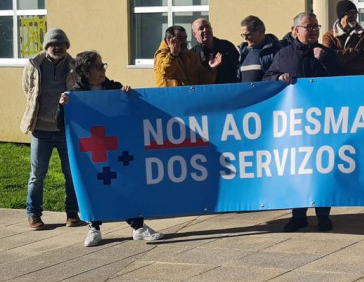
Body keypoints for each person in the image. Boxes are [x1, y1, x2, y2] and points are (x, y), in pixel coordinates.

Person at [58, 51, 165, 246]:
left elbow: (130, 114)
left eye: (103, 65)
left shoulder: (115, 88)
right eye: (98, 66)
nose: (103, 70)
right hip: (91, 154)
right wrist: (62, 107)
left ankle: (138, 227)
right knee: (92, 185)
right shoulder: (75, 95)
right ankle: (93, 227)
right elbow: (62, 125)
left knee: (125, 183)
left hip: (117, 151)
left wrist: (128, 96)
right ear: (85, 71)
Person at [264, 12, 344, 232]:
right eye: (309, 27)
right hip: (296, 125)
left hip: (323, 124)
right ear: (295, 30)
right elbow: (267, 78)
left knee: (323, 169)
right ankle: (298, 215)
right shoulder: (283, 55)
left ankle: (323, 216)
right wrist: (277, 79)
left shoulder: (326, 52)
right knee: (297, 170)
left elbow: (344, 81)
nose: (314, 31)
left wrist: (326, 60)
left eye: (316, 27)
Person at [21, 28, 83, 230]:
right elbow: (28, 91)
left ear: (67, 46)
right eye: (53, 44)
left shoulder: (74, 66)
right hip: (40, 128)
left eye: (61, 44)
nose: (57, 47)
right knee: (37, 174)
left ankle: (72, 213)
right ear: (46, 46)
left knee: (71, 172)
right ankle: (33, 214)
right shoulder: (34, 65)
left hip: (65, 128)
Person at [321, 0, 364, 75]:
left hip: (359, 80)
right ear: (341, 16)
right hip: (338, 81)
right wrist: (355, 52)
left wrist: (341, 62)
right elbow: (328, 59)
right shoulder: (329, 36)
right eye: (350, 13)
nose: (354, 16)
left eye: (355, 13)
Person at [154, 25, 220, 87]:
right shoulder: (161, 54)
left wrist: (211, 69)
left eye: (185, 38)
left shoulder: (190, 55)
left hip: (188, 96)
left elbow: (201, 80)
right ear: (168, 40)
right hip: (171, 97)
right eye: (179, 38)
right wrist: (173, 55)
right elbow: (165, 72)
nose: (184, 42)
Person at [237, 15, 286, 82]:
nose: (245, 38)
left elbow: (283, 73)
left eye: (248, 34)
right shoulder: (243, 52)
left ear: (261, 31)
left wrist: (278, 77)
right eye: (243, 35)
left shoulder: (276, 50)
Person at [191, 18, 240, 84]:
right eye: (201, 28)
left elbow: (238, 66)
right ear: (194, 34)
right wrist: (210, 69)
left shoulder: (226, 46)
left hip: (230, 89)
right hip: (207, 92)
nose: (205, 30)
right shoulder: (192, 54)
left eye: (207, 27)